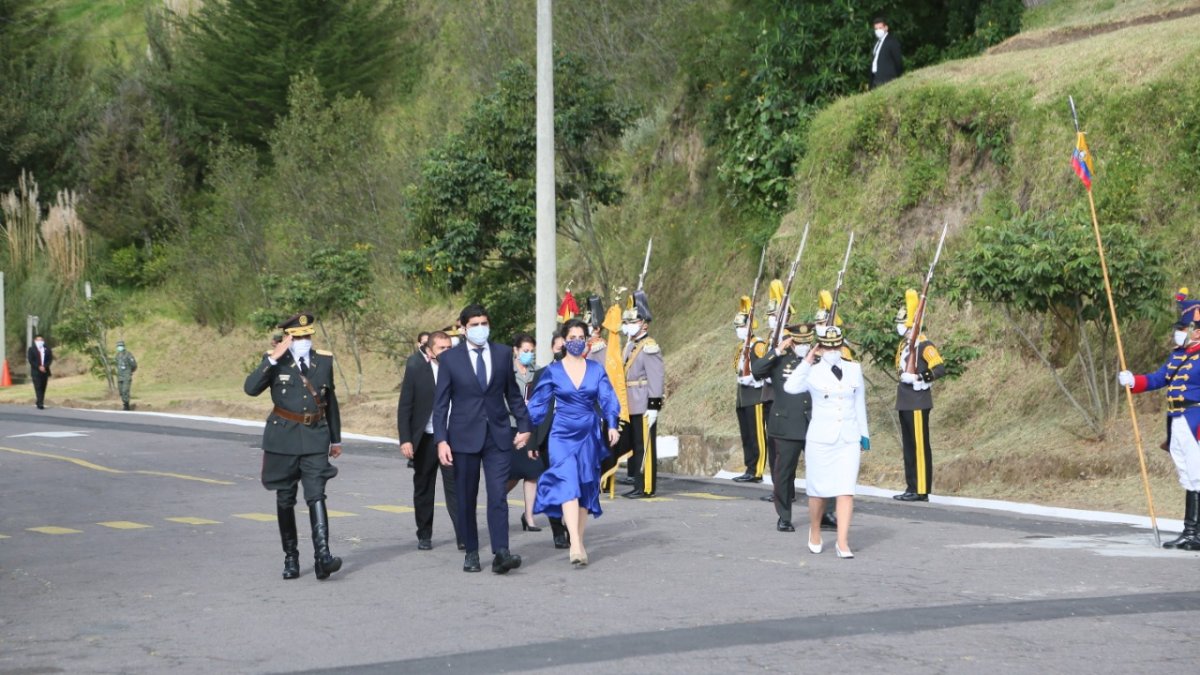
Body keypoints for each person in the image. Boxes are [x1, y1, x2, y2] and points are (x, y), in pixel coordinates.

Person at [432, 304, 531, 574]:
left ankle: (501, 552)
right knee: (466, 496)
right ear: (463, 328)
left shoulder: (500, 354)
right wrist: (441, 440)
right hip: (463, 438)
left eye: (484, 323)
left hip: (497, 436)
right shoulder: (451, 360)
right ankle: (472, 551)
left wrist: (524, 424)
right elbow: (441, 405)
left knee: (498, 494)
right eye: (474, 324)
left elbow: (512, 394)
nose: (480, 329)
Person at [244, 312, 343, 580]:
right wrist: (273, 357)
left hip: (315, 436)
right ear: (288, 337)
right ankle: (291, 556)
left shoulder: (323, 361)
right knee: (285, 498)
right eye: (298, 337)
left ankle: (323, 555)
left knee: (316, 494)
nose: (304, 341)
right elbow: (250, 388)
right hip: (283, 438)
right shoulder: (276, 361)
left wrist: (336, 438)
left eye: (307, 336)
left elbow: (328, 400)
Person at [526, 319, 622, 566]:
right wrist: (525, 431)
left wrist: (612, 424)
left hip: (588, 433)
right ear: (564, 341)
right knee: (568, 482)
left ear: (586, 340)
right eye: (573, 337)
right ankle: (576, 546)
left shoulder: (596, 369)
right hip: (561, 434)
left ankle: (576, 537)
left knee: (584, 487)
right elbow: (537, 404)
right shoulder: (553, 371)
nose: (577, 341)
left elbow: (608, 398)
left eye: (581, 337)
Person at [1118, 288, 1200, 550]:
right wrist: (1134, 381)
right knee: (1188, 476)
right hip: (1177, 419)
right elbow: (1159, 378)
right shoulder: (1178, 355)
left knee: (1197, 475)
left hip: (1196, 420)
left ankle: (1195, 533)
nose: (1179, 332)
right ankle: (1191, 532)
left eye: (1184, 327)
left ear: (1197, 330)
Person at [784, 326, 869, 559]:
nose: (832, 350)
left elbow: (859, 401)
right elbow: (790, 387)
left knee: (846, 491)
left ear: (842, 346)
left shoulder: (854, 369)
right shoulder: (811, 371)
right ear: (819, 347)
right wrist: (807, 361)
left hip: (848, 438)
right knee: (818, 493)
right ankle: (814, 529)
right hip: (821, 439)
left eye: (836, 346)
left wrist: (864, 433)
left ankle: (842, 542)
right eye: (827, 347)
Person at [397, 330, 461, 551]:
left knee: (456, 487)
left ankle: (463, 534)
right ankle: (424, 533)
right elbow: (405, 405)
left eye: (449, 348)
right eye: (441, 348)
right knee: (424, 487)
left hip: (452, 438)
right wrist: (406, 439)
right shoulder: (417, 369)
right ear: (429, 350)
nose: (446, 352)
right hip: (425, 438)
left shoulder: (459, 370)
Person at [752, 323, 813, 532]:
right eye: (799, 342)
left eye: (807, 342)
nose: (804, 346)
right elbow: (757, 371)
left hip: (814, 423)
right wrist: (776, 350)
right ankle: (784, 516)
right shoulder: (780, 358)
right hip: (786, 423)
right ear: (792, 341)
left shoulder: (818, 358)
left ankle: (827, 513)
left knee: (822, 470)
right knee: (784, 473)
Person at [894, 289, 946, 502]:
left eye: (902, 322)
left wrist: (919, 378)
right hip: (904, 401)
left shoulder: (924, 345)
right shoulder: (904, 345)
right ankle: (911, 485)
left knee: (920, 446)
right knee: (908, 447)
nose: (899, 326)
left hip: (917, 401)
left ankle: (922, 489)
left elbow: (940, 368)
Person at [620, 290, 665, 498]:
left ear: (644, 323)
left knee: (644, 446)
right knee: (636, 445)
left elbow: (656, 378)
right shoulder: (631, 345)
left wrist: (653, 406)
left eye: (633, 321)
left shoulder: (649, 347)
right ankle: (638, 484)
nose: (629, 325)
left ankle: (646, 486)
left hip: (643, 401)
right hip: (630, 401)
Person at [507, 333, 545, 533]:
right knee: (511, 473)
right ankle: (497, 500)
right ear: (515, 350)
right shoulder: (507, 372)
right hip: (511, 426)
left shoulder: (537, 372)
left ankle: (529, 516)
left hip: (531, 428)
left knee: (532, 473)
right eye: (525, 351)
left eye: (531, 351)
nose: (528, 355)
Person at [732, 295, 770, 483]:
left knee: (757, 435)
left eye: (741, 326)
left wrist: (754, 379)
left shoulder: (758, 346)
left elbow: (765, 369)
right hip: (743, 395)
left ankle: (757, 471)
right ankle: (749, 467)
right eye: (737, 327)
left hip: (755, 395)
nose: (738, 330)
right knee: (746, 434)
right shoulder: (742, 346)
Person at [869, 16, 903, 89]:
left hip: (887, 80)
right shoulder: (876, 43)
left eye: (880, 28)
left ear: (886, 28)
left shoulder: (892, 42)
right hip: (875, 79)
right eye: (876, 29)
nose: (878, 30)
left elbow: (898, 61)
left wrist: (897, 77)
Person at [26, 335, 53, 410]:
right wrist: (39, 367)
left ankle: (39, 401)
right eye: (38, 340)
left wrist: (45, 366)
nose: (40, 341)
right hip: (36, 372)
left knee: (43, 387)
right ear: (35, 341)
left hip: (45, 371)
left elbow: (50, 359)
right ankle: (41, 403)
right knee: (38, 387)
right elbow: (31, 360)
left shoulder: (47, 349)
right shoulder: (31, 349)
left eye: (41, 340)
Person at [115, 340, 138, 411]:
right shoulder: (117, 355)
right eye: (118, 346)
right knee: (121, 391)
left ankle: (126, 405)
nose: (119, 347)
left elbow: (134, 365)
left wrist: (129, 371)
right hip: (120, 376)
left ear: (123, 346)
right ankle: (125, 403)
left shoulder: (128, 354)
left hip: (126, 376)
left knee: (125, 390)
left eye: (120, 346)